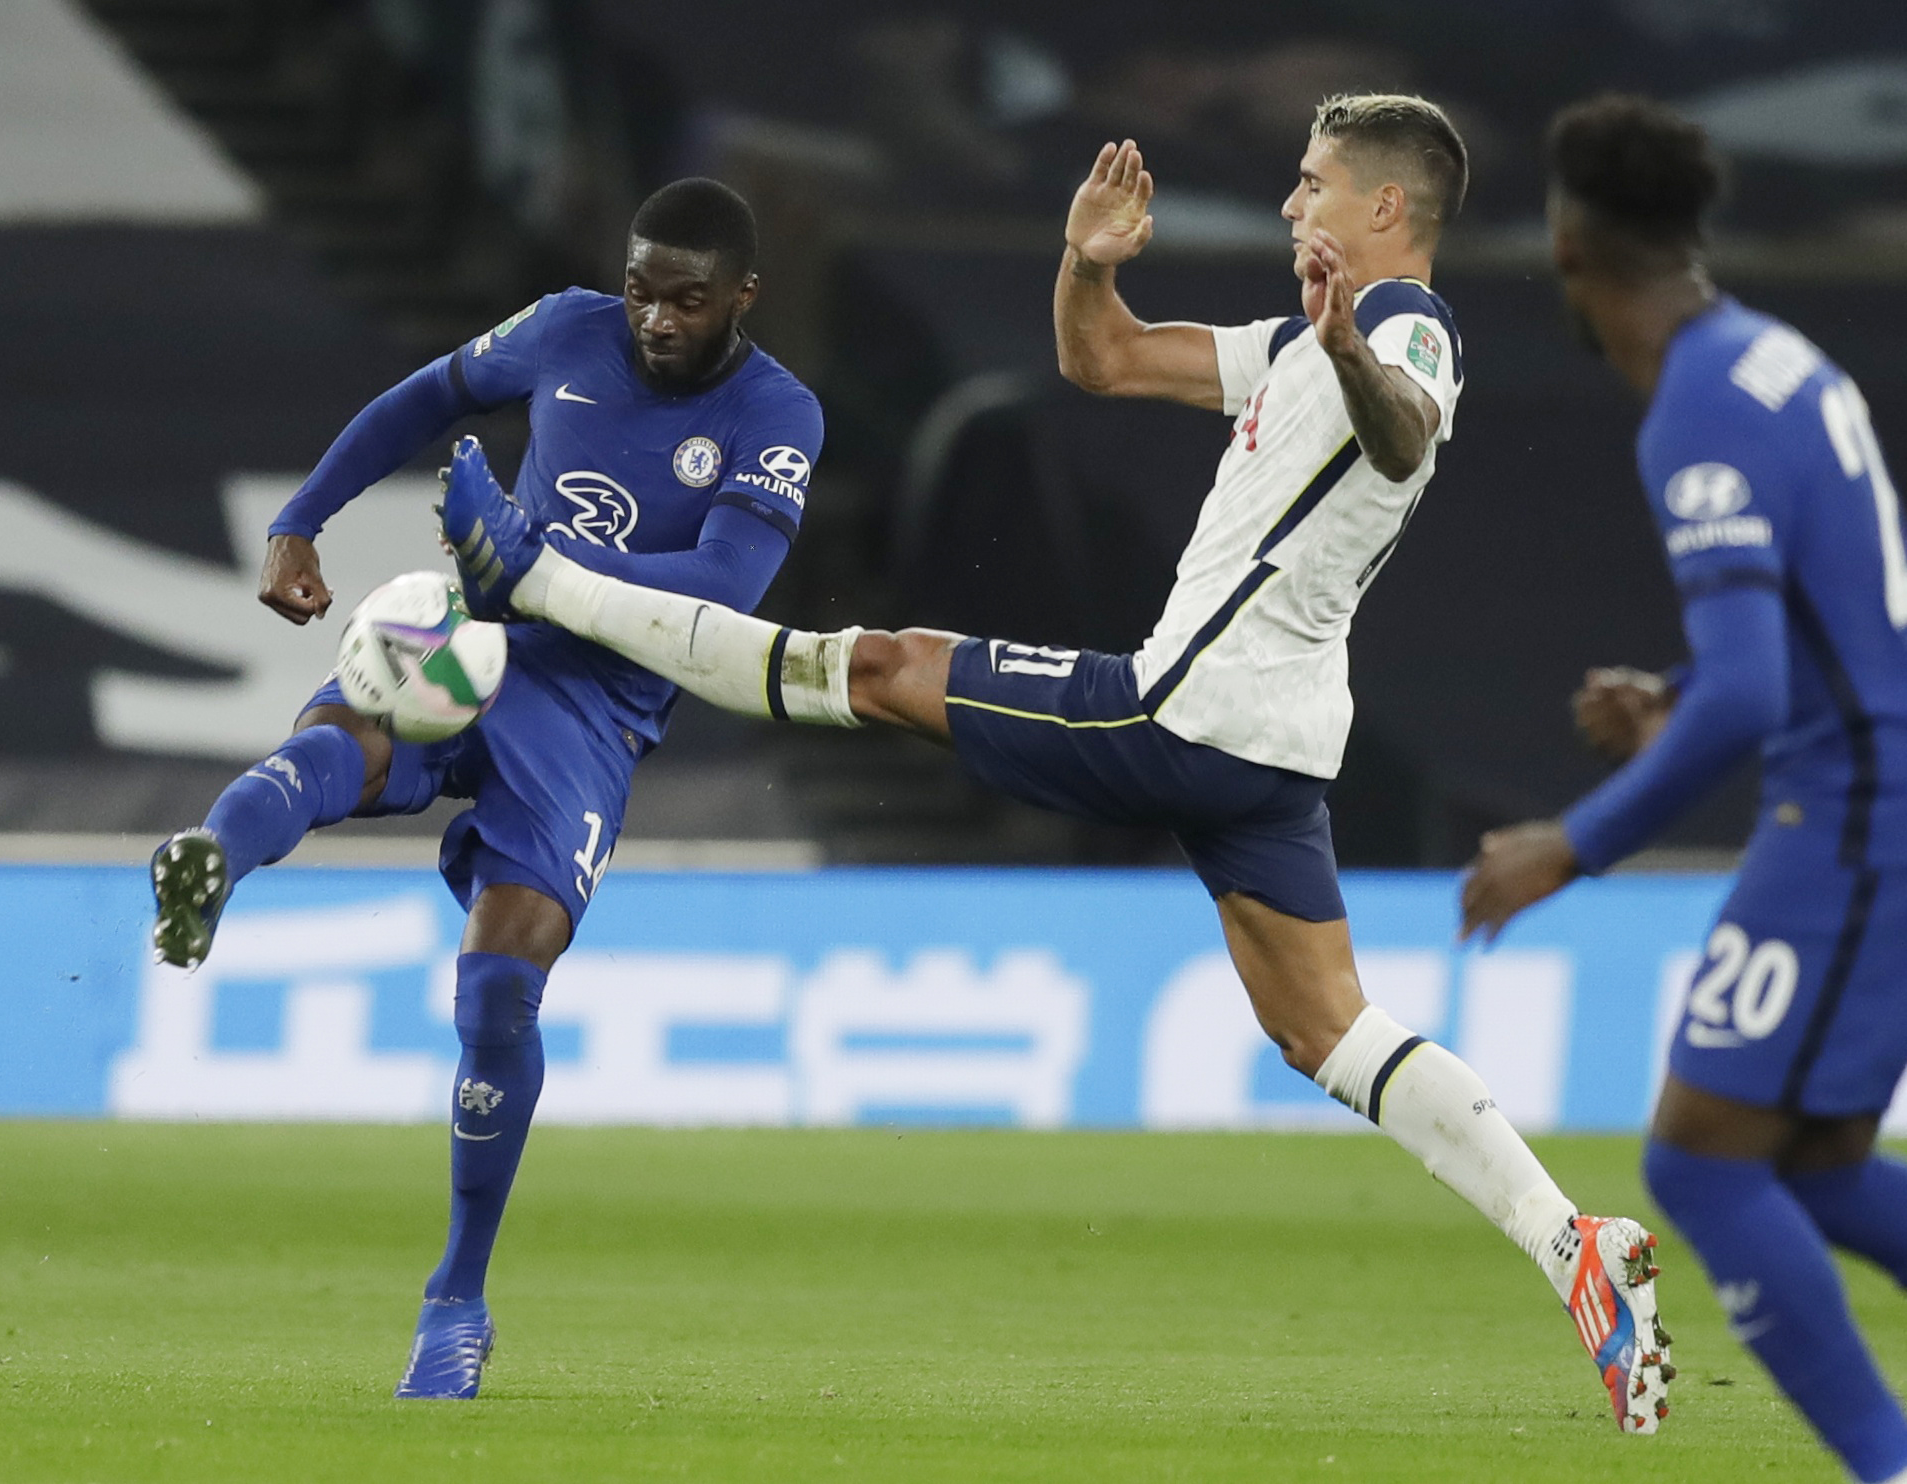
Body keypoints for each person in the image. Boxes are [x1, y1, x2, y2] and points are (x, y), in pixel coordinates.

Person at [438, 94, 1674, 1433]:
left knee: (881, 668)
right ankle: (1575, 1249)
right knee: (1330, 1029)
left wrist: (1344, 342)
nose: (1289, 204)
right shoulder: (1296, 347)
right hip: (1272, 750)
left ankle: (541, 579)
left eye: (1313, 183)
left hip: (1182, 713)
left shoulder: (1397, 330)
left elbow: (1405, 429)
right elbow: (1109, 363)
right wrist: (1089, 266)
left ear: (1386, 208)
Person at [146, 178, 824, 1401]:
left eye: (687, 298)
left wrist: (536, 561)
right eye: (640, 289)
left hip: (593, 709)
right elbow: (429, 395)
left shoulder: (778, 411)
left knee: (501, 983)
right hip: (470, 637)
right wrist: (302, 518)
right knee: (339, 737)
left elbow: (723, 581)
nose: (655, 319)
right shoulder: (567, 326)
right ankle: (211, 855)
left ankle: (455, 1299)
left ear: (742, 298)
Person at [1462, 94, 1907, 1482]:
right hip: (1875, 779)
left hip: (1851, 813)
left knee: (1701, 1162)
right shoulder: (1778, 360)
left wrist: (1572, 846)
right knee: (1816, 1166)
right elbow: (1815, 622)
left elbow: (1758, 698)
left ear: (1566, 242)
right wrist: (1681, 686)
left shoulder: (1697, 414)